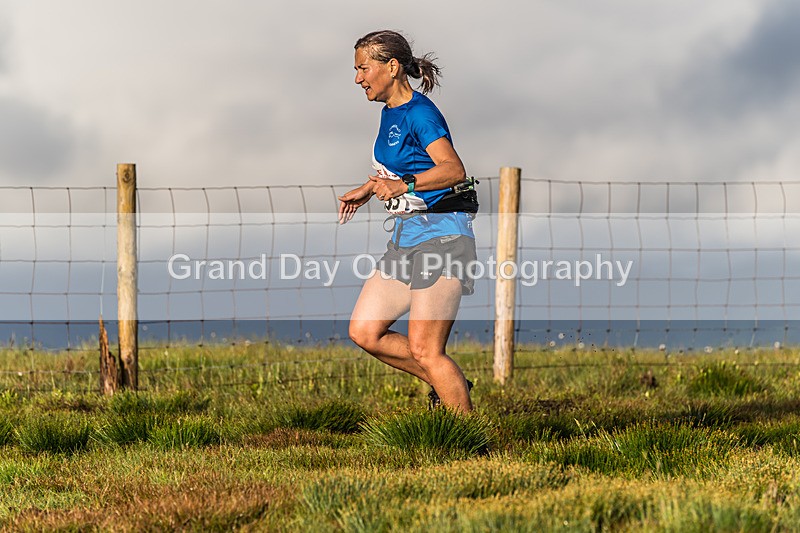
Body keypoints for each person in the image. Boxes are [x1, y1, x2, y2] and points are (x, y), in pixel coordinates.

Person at [338, 30, 477, 412]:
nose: (357, 78)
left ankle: (471, 446)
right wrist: (370, 186)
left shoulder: (420, 114)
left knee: (426, 349)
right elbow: (402, 165)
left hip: (444, 239)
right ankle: (450, 382)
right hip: (407, 239)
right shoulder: (390, 113)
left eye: (363, 68)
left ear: (392, 66)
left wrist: (403, 185)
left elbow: (453, 170)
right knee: (365, 331)